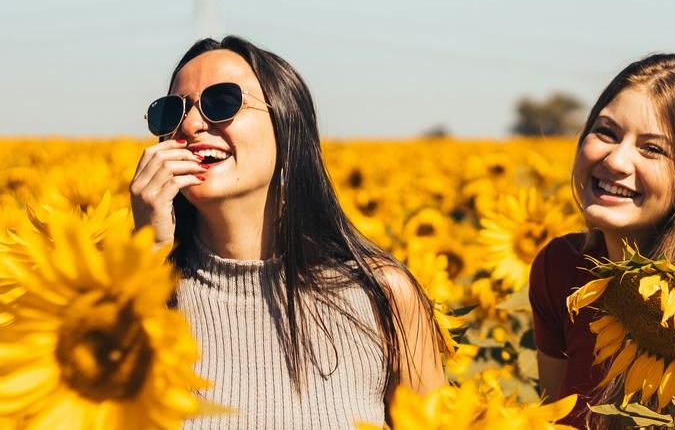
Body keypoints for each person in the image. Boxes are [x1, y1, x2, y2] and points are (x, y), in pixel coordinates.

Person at [129, 36, 445, 429]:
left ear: (287, 127)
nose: (191, 124)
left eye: (222, 102)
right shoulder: (128, 302)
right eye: (171, 112)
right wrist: (143, 260)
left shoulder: (383, 297)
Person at [528, 53, 675, 427]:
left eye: (653, 149)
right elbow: (553, 413)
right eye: (607, 132)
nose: (617, 161)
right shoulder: (560, 268)